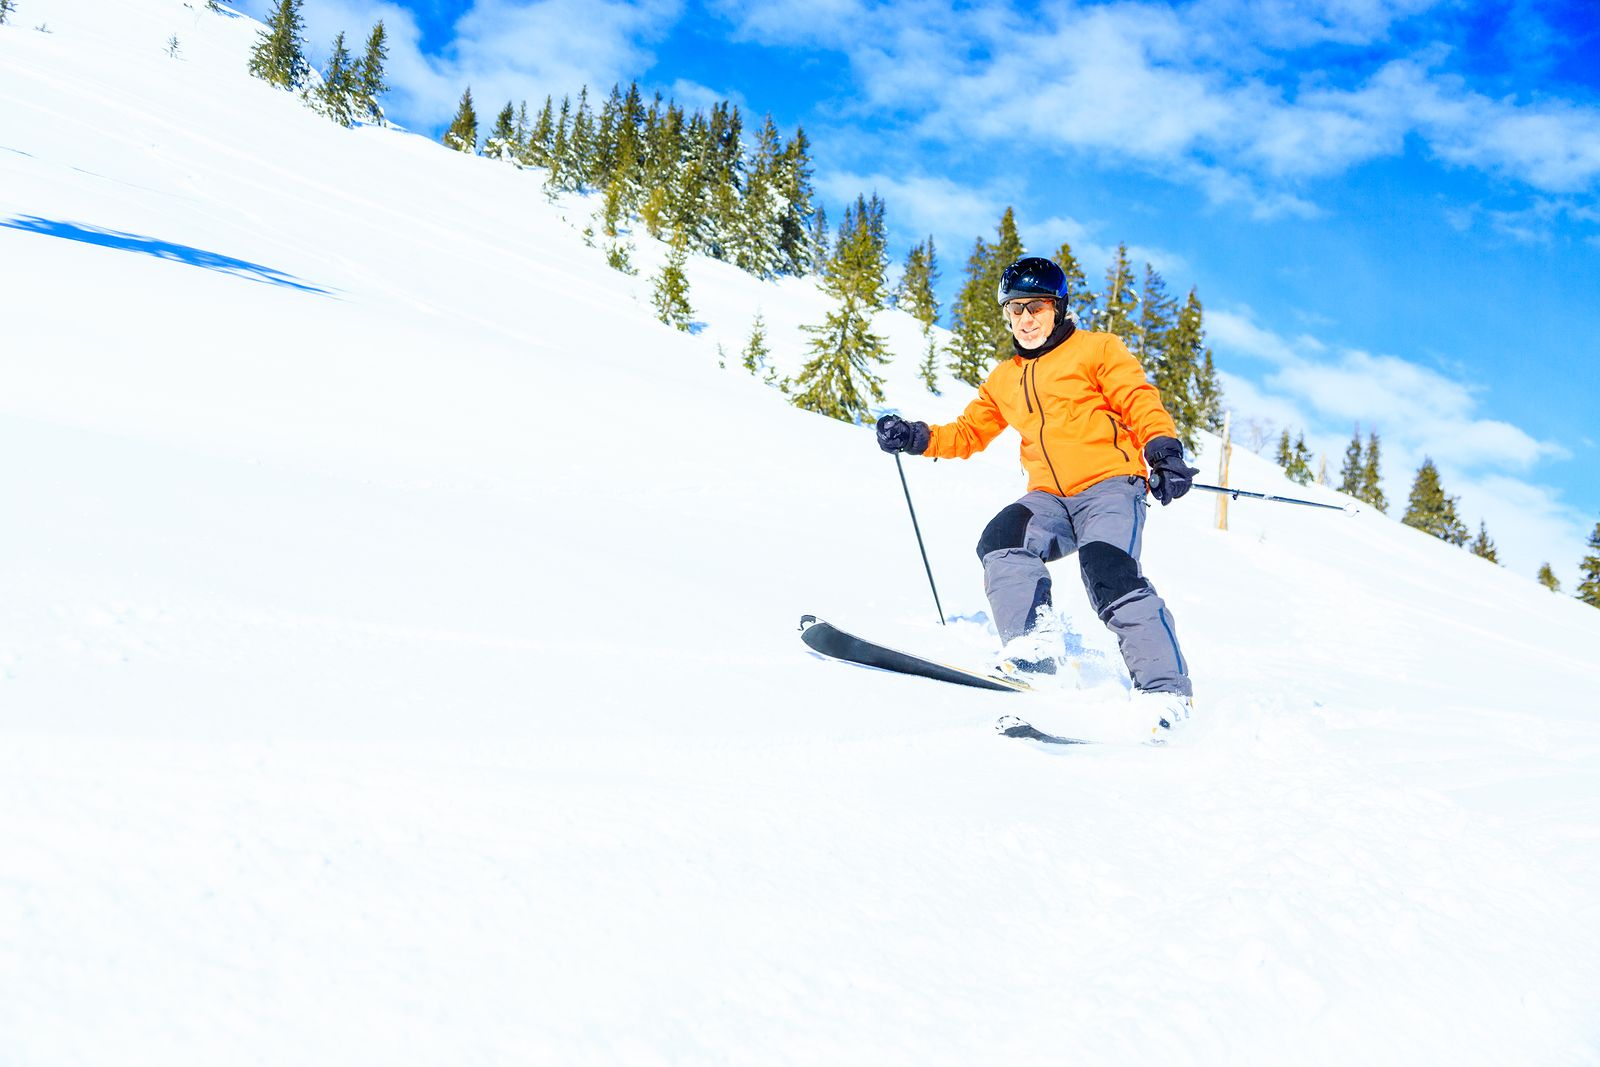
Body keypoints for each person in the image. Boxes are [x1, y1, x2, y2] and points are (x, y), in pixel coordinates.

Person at [875, 256, 1199, 736]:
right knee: (1001, 540)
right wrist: (916, 436)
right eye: (1016, 308)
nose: (1025, 319)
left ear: (1058, 308)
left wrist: (1163, 450)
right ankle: (1033, 650)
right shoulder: (1004, 378)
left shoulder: (1097, 350)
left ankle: (1165, 692)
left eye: (1037, 308)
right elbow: (967, 433)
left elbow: (1137, 398)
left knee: (1108, 571)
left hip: (1110, 486)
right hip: (1049, 497)